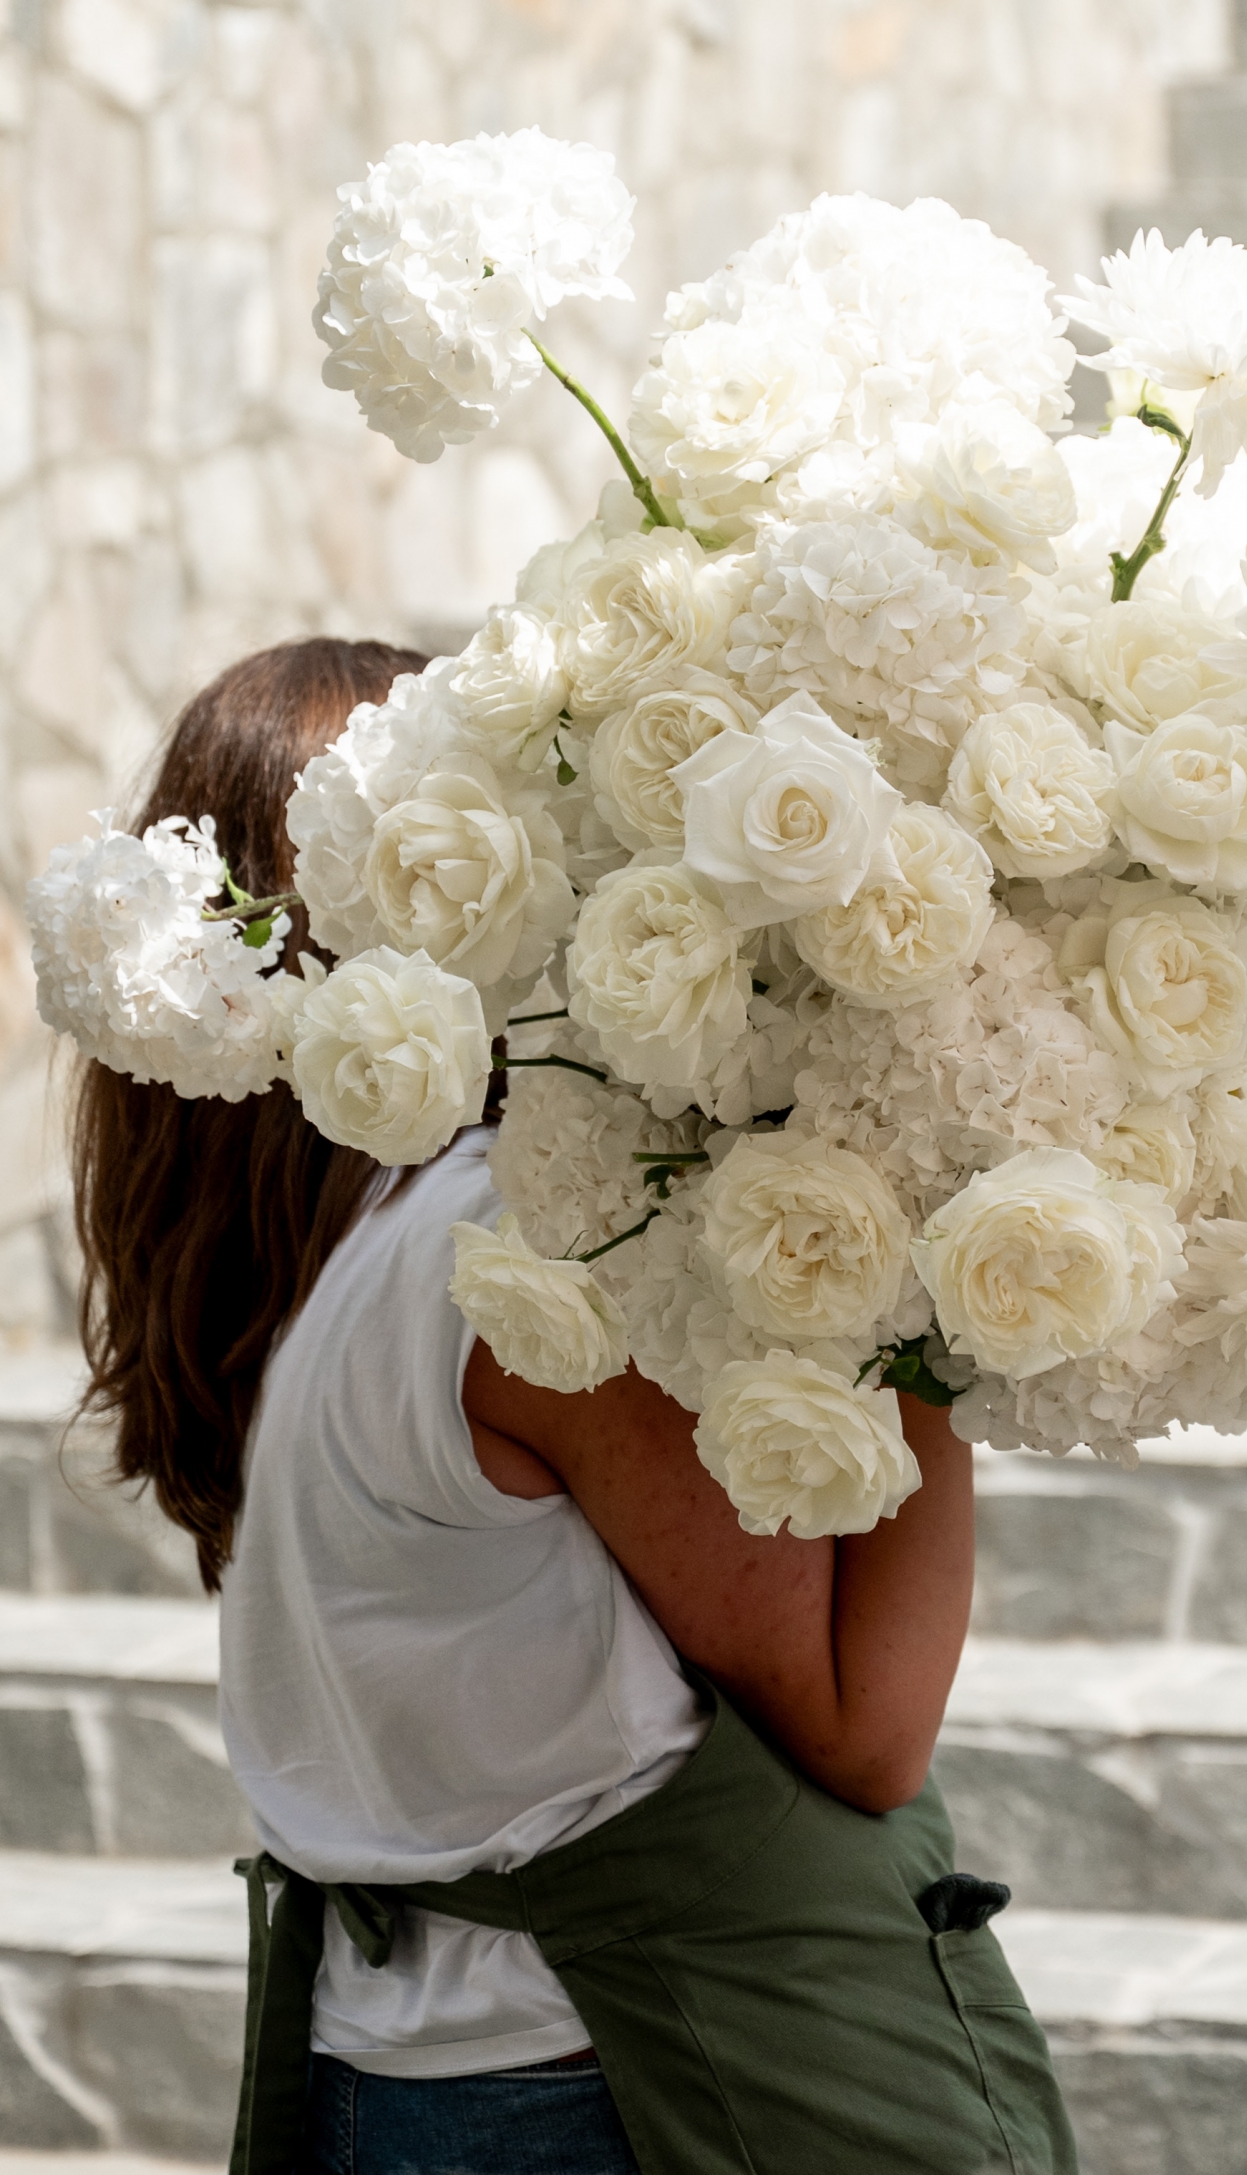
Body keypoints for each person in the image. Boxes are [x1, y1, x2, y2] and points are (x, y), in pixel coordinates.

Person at [72, 638, 1079, 2175]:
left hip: (389, 2079)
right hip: (611, 2089)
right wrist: (929, 1250)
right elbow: (865, 1730)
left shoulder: (318, 1289)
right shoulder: (507, 1260)